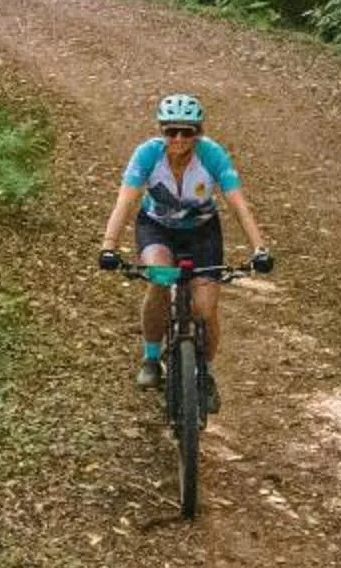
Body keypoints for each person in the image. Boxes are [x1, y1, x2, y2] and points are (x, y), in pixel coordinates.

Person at [98, 92, 273, 414]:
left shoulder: (212, 155)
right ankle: (152, 358)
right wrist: (109, 245)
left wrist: (259, 248)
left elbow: (238, 204)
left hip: (202, 232)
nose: (179, 139)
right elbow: (126, 200)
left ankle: (204, 373)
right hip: (157, 228)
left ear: (198, 132)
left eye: (187, 131)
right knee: (159, 279)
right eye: (171, 131)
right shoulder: (147, 155)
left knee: (205, 308)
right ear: (161, 131)